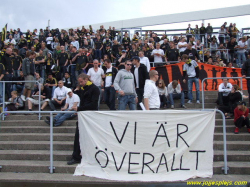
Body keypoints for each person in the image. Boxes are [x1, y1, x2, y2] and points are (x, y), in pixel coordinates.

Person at [67, 73, 100, 165]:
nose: (80, 83)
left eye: (81, 81)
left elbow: (94, 104)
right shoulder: (82, 88)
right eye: (79, 82)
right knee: (78, 136)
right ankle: (76, 156)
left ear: (86, 80)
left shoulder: (94, 89)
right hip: (83, 115)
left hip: (91, 116)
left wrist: (79, 109)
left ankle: (93, 156)